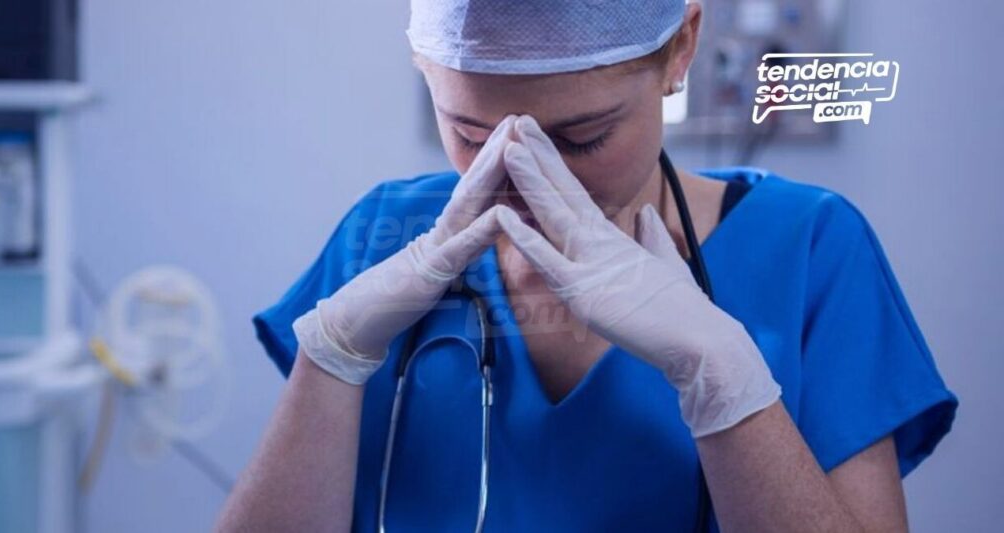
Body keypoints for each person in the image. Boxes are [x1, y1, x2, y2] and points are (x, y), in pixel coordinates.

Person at [217, 2, 957, 532]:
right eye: (470, 132)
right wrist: (331, 354)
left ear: (680, 52)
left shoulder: (811, 248)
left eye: (581, 138)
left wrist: (724, 378)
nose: (524, 177)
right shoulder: (380, 237)